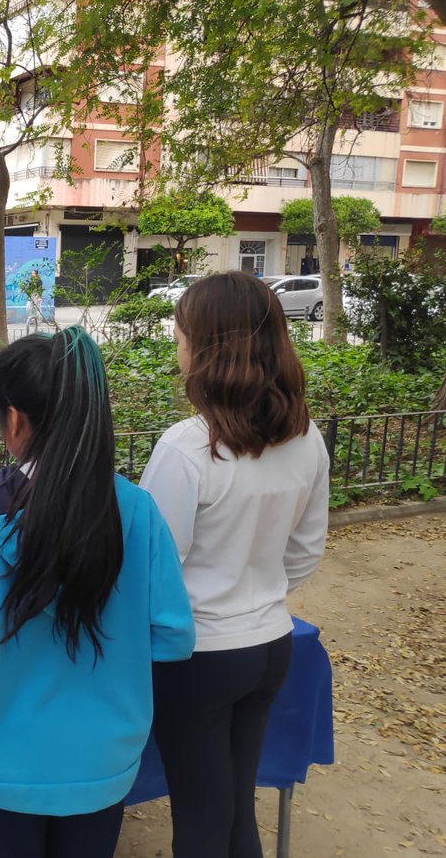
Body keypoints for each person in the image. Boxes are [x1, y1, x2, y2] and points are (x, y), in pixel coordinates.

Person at [0, 329, 195, 858]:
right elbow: (173, 635)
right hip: (101, 759)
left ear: (14, 419)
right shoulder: (137, 509)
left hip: (3, 756)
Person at [138, 272, 329, 858]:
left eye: (182, 335)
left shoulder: (186, 447)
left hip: (199, 656)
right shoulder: (307, 437)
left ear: (207, 347)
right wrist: (257, 592)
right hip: (271, 644)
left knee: (201, 818)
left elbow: (153, 571)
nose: (178, 347)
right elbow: (304, 550)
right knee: (235, 806)